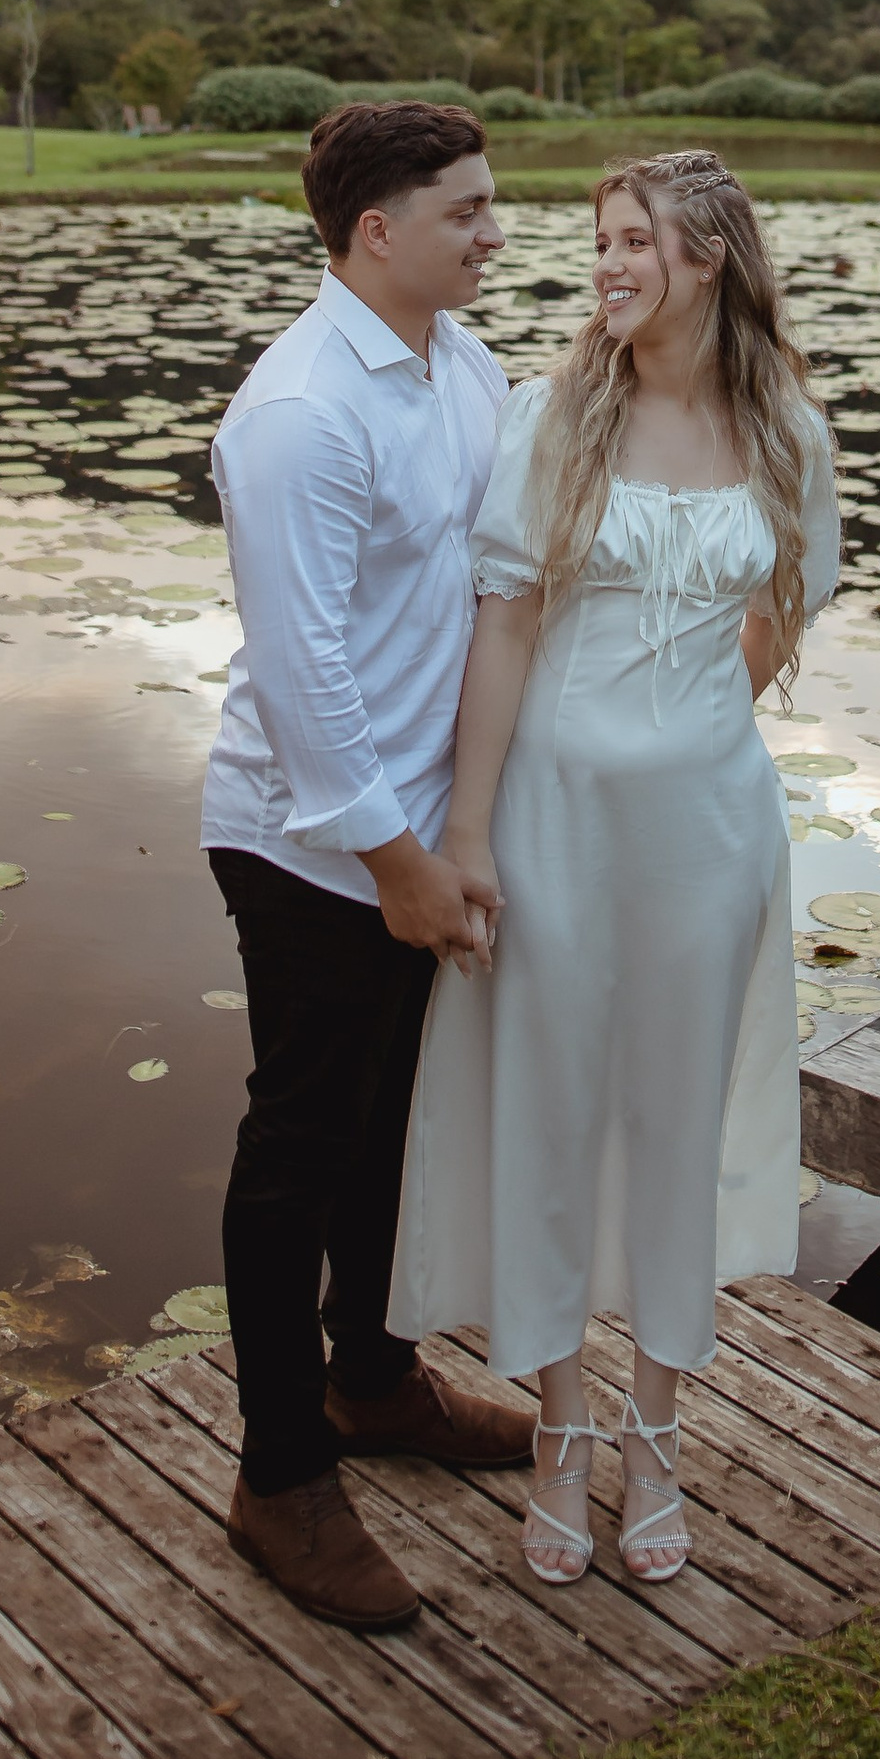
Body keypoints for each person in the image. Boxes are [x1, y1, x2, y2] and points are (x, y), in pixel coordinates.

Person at [390, 147, 838, 1587]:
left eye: (631, 239)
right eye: (599, 240)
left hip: (708, 841)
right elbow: (505, 630)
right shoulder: (552, 416)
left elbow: (780, 614)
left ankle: (656, 1434)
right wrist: (467, 833)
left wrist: (691, 723)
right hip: (552, 826)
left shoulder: (788, 437)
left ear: (706, 253)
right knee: (552, 1118)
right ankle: (560, 1428)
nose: (606, 263)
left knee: (669, 1129)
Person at [201, 99, 538, 1629]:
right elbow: (301, 672)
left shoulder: (458, 365)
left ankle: (375, 1382)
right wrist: (402, 859)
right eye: (466, 210)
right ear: (376, 232)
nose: (494, 229)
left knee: (395, 1125)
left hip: (416, 820)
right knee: (303, 1146)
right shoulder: (298, 415)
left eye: (493, 203)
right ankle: (279, 1475)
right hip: (309, 838)